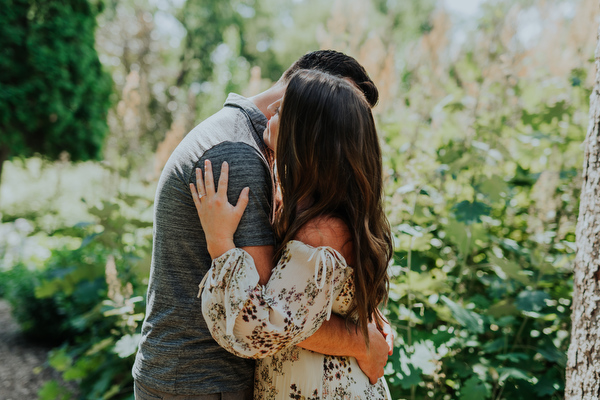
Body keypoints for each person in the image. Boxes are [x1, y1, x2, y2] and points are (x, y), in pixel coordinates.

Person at [132, 50, 392, 399]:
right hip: (202, 381)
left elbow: (280, 312)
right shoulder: (239, 154)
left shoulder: (312, 212)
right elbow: (272, 316)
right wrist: (361, 341)